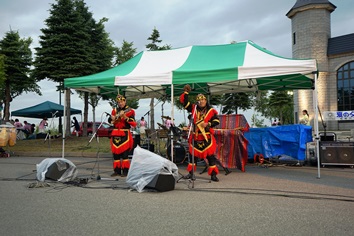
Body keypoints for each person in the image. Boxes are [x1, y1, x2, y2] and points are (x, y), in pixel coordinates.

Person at [179, 84, 221, 182]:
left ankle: (213, 175)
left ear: (206, 100)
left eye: (203, 100)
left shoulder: (211, 111)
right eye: (199, 100)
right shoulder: (193, 108)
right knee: (192, 156)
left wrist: (208, 124)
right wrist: (186, 93)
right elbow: (184, 103)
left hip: (206, 137)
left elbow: (217, 121)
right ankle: (191, 174)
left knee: (211, 156)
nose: (201, 101)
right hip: (195, 136)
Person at [109, 94, 137, 177]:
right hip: (115, 133)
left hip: (124, 133)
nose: (120, 103)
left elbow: (133, 123)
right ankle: (117, 171)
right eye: (118, 102)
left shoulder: (130, 111)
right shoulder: (114, 110)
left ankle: (125, 171)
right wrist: (112, 118)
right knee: (115, 154)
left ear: (125, 101)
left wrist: (124, 116)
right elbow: (110, 121)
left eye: (121, 102)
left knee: (125, 154)